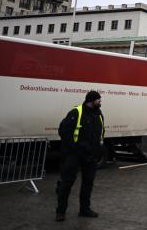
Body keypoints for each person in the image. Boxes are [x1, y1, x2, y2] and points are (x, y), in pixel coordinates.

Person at [56, 91, 105, 222]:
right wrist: (73, 148)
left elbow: (101, 133)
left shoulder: (99, 115)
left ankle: (85, 210)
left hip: (91, 157)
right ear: (92, 100)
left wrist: (99, 150)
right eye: (98, 100)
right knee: (67, 183)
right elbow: (64, 132)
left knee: (88, 184)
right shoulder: (76, 112)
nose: (100, 102)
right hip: (75, 155)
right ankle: (60, 212)